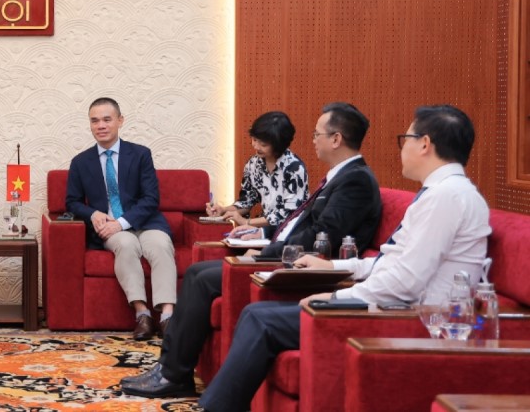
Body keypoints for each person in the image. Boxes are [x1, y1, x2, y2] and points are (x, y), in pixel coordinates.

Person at [196, 104, 490, 412]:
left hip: (409, 318)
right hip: (394, 304)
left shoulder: (447, 197)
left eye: (407, 139)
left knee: (260, 319)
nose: (403, 149)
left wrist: (337, 297)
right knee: (258, 314)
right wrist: (333, 265)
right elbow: (390, 263)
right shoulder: (443, 193)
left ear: (425, 144)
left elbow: (405, 282)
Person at [122, 102, 382, 398]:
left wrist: (265, 254)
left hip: (301, 266)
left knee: (200, 277)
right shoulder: (340, 175)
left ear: (336, 139)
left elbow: (323, 238)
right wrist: (259, 232)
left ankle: (173, 373)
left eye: (317, 134)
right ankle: (171, 369)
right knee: (196, 273)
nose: (313, 140)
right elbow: (295, 223)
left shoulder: (355, 180)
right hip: (283, 250)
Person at [65, 97, 176, 341]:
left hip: (145, 222)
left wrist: (122, 222)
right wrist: (93, 213)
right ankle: (142, 315)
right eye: (94, 121)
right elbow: (71, 202)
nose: (100, 125)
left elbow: (151, 198)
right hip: (110, 230)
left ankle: (168, 316)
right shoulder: (80, 162)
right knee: (126, 246)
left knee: (160, 245)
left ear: (120, 121)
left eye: (107, 119)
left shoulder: (140, 155)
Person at [206, 111, 309, 231]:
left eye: (263, 144)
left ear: (278, 145)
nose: (256, 146)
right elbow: (247, 201)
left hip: (290, 233)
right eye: (254, 140)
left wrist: (247, 222)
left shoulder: (294, 168)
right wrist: (224, 210)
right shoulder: (253, 164)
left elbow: (289, 214)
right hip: (264, 230)